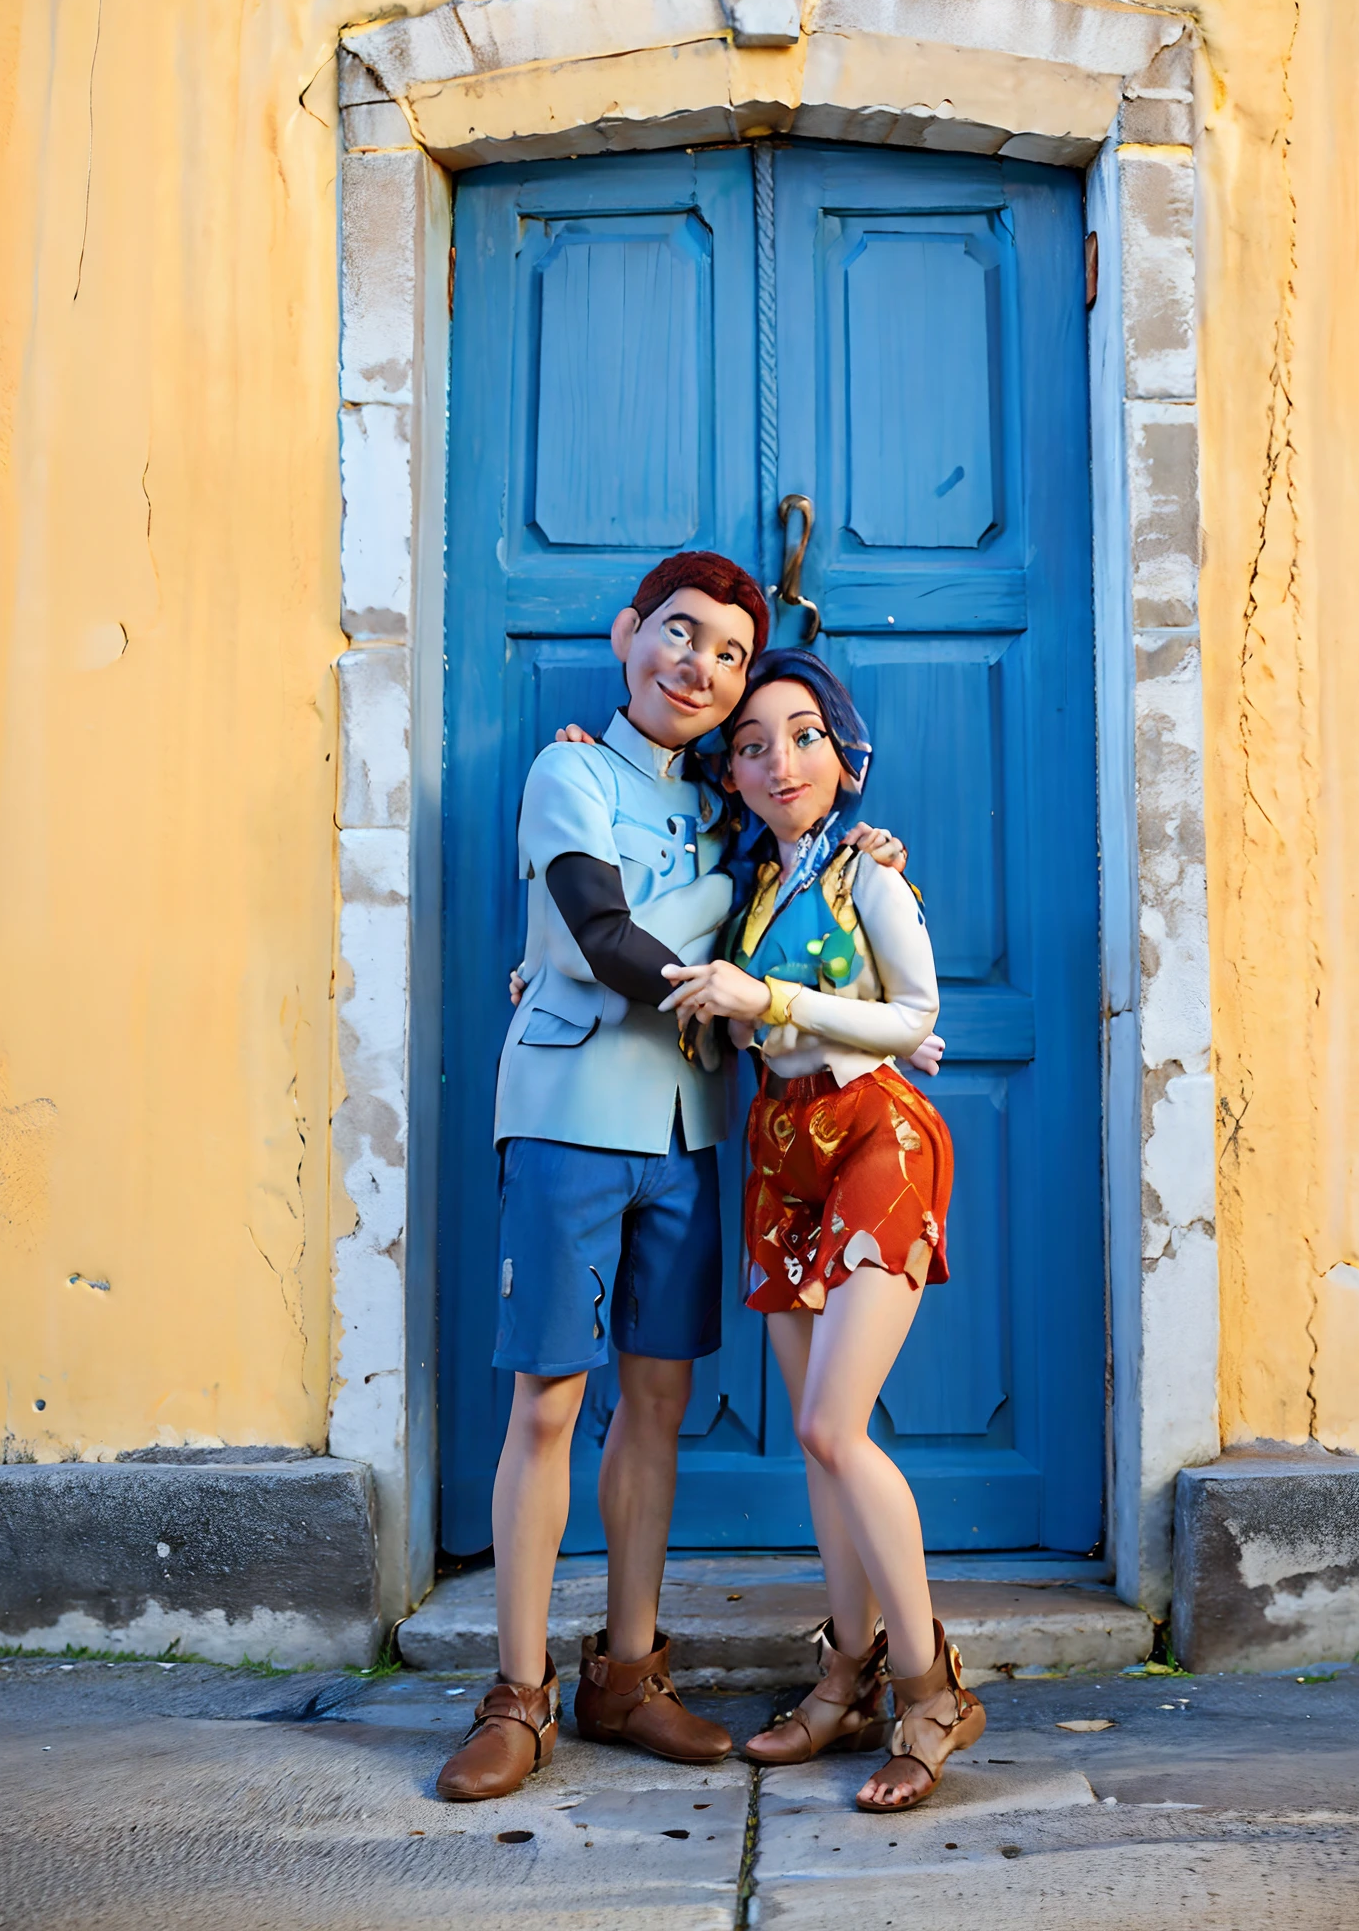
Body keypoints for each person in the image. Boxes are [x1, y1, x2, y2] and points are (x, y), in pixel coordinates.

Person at [435, 557, 927, 1804]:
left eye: (724, 652)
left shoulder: (736, 815)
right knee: (547, 1401)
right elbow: (602, 936)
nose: (696, 665)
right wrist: (765, 883)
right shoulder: (570, 772)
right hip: (567, 1116)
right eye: (676, 634)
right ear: (626, 635)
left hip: (695, 1131)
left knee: (653, 1406)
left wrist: (833, 856)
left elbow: (798, 923)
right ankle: (518, 1689)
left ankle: (628, 1673)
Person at [660, 647, 986, 1814]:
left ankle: (927, 1683)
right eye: (751, 744)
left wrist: (773, 1001)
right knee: (814, 1439)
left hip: (873, 1143)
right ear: (730, 775)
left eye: (801, 735)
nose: (777, 758)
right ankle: (844, 1671)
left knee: (831, 1423)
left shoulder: (866, 875)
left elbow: (914, 1015)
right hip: (777, 1152)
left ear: (843, 757)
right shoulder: (751, 888)